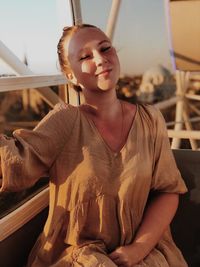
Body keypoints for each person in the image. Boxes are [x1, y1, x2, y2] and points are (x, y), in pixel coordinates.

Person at [0, 24, 188, 267]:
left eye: (105, 48)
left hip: (142, 252)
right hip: (79, 256)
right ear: (71, 76)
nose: (100, 59)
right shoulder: (66, 120)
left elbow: (167, 189)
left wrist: (138, 248)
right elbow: (15, 164)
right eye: (85, 56)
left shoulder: (150, 120)